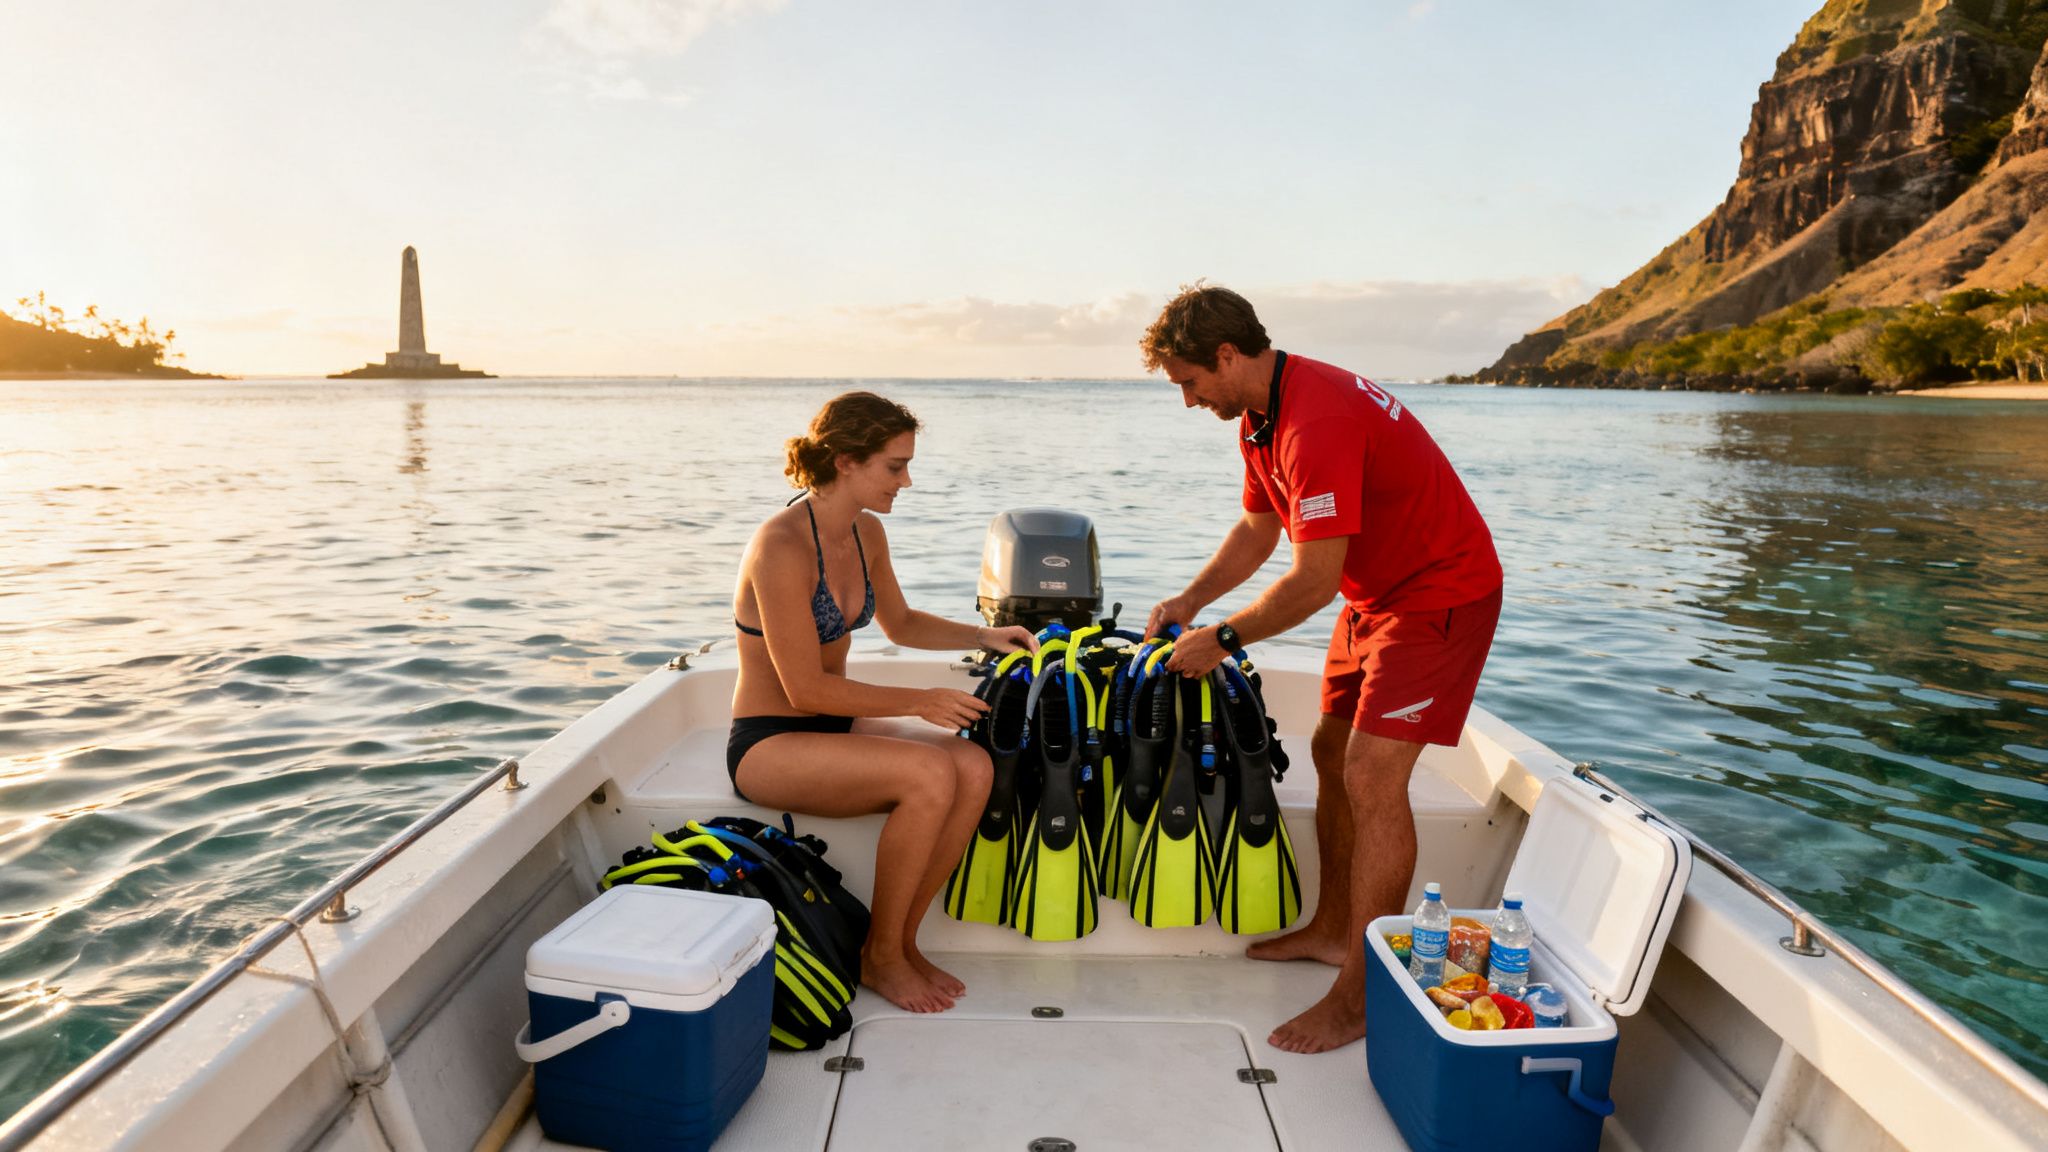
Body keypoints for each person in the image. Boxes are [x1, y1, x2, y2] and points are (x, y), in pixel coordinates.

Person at [1139, 285, 1503, 1053]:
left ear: (1227, 356)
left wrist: (1223, 639)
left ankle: (1361, 997)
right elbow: (1256, 525)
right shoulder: (1260, 416)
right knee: (1330, 751)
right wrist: (1191, 598)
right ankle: (1336, 930)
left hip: (1439, 593)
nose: (1187, 399)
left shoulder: (1316, 420)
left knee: (1373, 774)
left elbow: (1310, 582)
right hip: (1376, 597)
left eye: (1189, 381)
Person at [730, 391, 1037, 1014]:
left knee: (973, 767)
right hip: (769, 741)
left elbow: (898, 624)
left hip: (832, 728)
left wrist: (984, 634)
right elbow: (804, 690)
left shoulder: (865, 532)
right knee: (927, 771)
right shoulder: (782, 546)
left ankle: (901, 942)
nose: (907, 480)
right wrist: (919, 701)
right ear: (846, 461)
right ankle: (881, 957)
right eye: (894, 466)